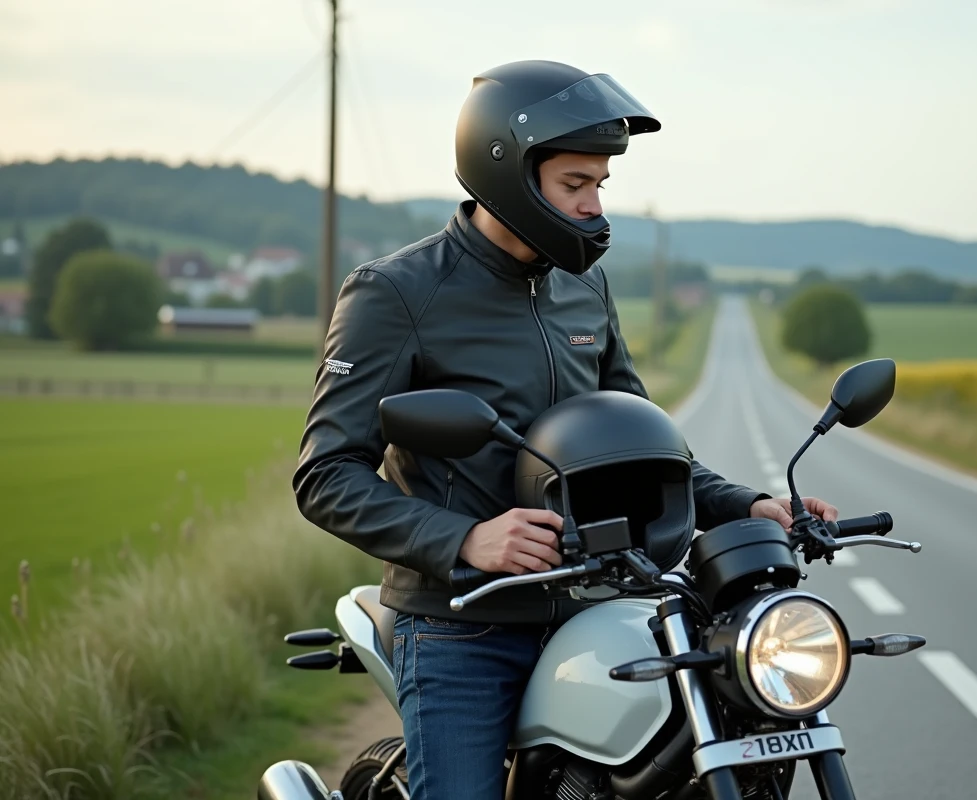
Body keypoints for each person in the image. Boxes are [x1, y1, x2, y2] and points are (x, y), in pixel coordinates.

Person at [293, 59, 838, 800]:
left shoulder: (584, 287)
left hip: (599, 606)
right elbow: (326, 476)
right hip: (464, 624)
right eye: (574, 185)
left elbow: (647, 448)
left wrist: (747, 504)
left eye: (599, 185)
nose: (592, 205)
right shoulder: (396, 293)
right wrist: (465, 541)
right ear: (511, 174)